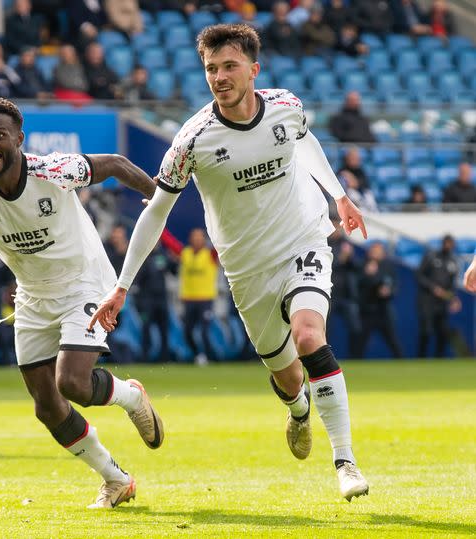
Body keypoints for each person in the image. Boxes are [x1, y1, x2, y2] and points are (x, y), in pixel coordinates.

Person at [89, 24, 370, 501]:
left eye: (229, 66)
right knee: (286, 375)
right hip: (246, 270)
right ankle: (298, 409)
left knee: (308, 336)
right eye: (211, 69)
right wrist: (122, 286)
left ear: (253, 70)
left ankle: (345, 462)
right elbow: (156, 211)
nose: (219, 76)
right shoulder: (193, 140)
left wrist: (339, 196)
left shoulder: (285, 105)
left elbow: (305, 142)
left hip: (303, 238)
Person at [0, 97, 163, 509]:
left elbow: (114, 163)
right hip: (32, 296)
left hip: (84, 282)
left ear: (19, 140)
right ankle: (116, 479)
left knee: (73, 383)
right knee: (47, 406)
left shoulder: (53, 170)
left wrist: (157, 197)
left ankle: (131, 396)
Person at [416, 235, 461, 357]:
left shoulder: (453, 261)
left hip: (442, 301)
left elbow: (452, 284)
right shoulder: (431, 256)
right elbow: (419, 275)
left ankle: (439, 358)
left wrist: (454, 298)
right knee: (426, 330)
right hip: (427, 300)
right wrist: (432, 288)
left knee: (443, 331)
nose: (448, 246)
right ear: (443, 243)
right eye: (447, 243)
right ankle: (421, 357)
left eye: (451, 244)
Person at [179, 228, 218, 365]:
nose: (197, 240)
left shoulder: (211, 255)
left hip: (205, 299)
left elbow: (220, 244)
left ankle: (209, 357)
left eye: (199, 237)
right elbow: (170, 243)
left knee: (204, 331)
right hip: (189, 299)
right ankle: (198, 355)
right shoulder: (185, 253)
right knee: (187, 331)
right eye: (194, 237)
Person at [358, 242, 403, 358]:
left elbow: (394, 284)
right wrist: (369, 275)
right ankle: (355, 362)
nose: (376, 254)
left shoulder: (388, 266)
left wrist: (389, 291)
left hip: (383, 309)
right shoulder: (362, 265)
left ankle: (402, 362)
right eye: (374, 251)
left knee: (393, 340)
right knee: (360, 341)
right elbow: (360, 284)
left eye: (379, 251)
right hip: (367, 309)